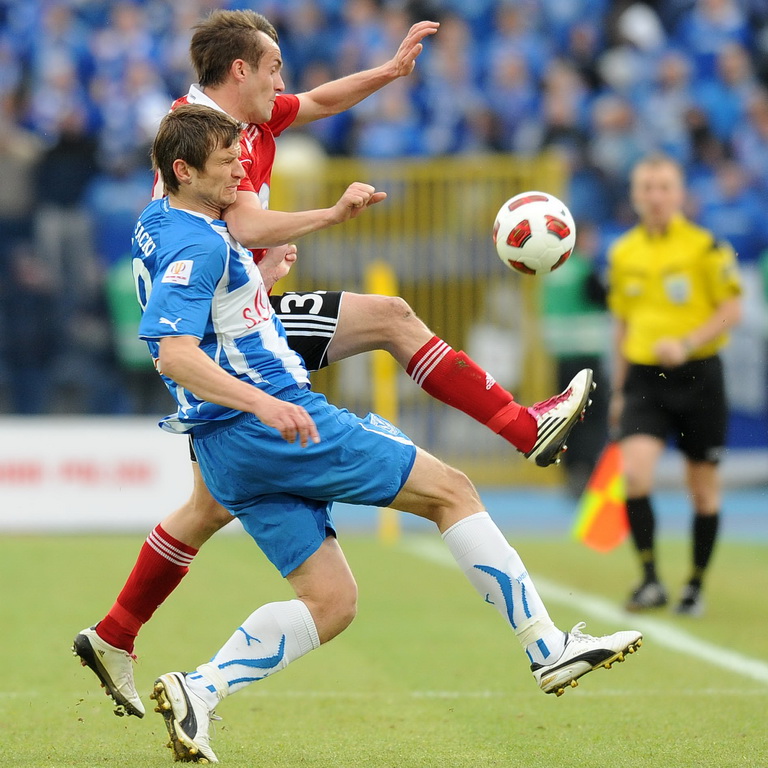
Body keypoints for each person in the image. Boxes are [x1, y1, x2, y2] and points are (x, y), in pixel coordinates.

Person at [73, 10, 596, 719]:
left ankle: (118, 636)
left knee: (212, 502)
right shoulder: (204, 138)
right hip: (231, 329)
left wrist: (389, 72)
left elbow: (318, 104)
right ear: (239, 74)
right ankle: (518, 426)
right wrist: (328, 216)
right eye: (274, 70)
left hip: (228, 315)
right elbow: (241, 227)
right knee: (390, 321)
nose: (285, 84)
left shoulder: (244, 124)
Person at [139, 104, 641, 763]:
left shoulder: (163, 224)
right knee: (452, 492)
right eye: (227, 160)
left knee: (331, 601)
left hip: (226, 450)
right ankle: (547, 648)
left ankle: (198, 692)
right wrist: (262, 404)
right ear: (184, 170)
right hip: (276, 424)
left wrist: (254, 284)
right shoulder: (199, 242)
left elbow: (201, 318)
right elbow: (173, 352)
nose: (242, 168)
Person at [607, 153, 742, 616]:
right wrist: (620, 391)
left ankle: (695, 585)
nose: (656, 196)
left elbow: (730, 311)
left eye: (664, 186)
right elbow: (621, 324)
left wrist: (686, 343)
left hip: (699, 376)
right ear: (635, 195)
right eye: (647, 187)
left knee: (701, 487)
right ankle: (649, 579)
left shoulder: (706, 248)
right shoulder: (623, 252)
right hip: (646, 378)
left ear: (680, 193)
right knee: (635, 474)